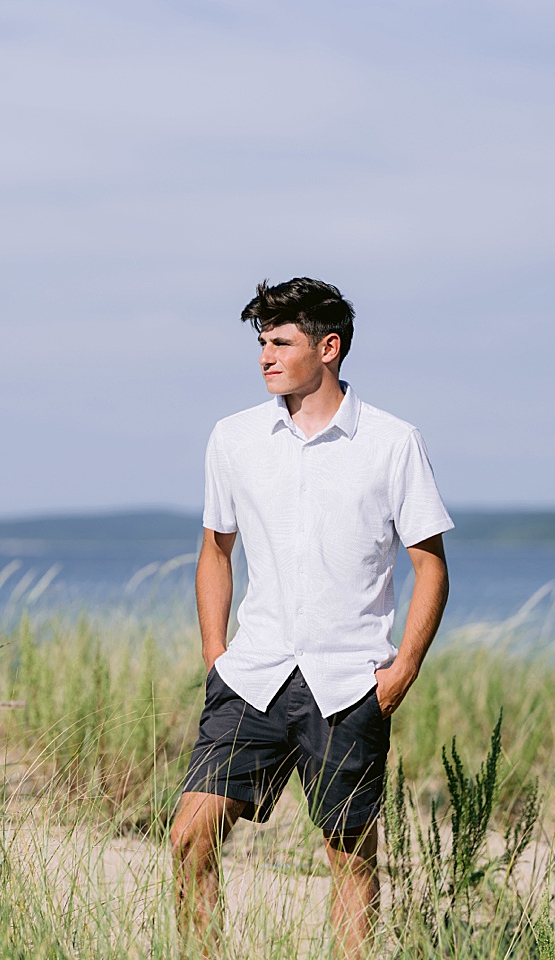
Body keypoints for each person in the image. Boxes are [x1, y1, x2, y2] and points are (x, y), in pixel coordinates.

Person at [170, 277, 452, 959]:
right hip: (253, 675)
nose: (265, 356)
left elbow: (430, 566)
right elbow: (215, 550)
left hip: (349, 681)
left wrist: (402, 668)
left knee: (351, 859)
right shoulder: (233, 437)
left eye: (280, 342)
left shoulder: (392, 441)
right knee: (190, 836)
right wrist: (216, 653)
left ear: (328, 348)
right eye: (261, 342)